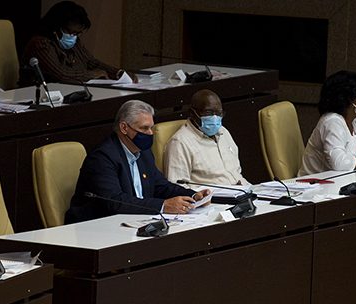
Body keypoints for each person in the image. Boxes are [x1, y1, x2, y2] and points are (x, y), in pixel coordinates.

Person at [65, 100, 211, 224]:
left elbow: (160, 185)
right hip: (96, 227)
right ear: (124, 128)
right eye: (144, 128)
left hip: (134, 222)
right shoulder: (102, 157)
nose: (150, 133)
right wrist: (163, 205)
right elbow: (114, 201)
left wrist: (193, 196)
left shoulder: (143, 152)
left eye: (151, 128)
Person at [20, 1, 137, 86]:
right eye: (71, 32)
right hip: (37, 94)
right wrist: (91, 75)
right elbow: (62, 75)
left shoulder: (73, 42)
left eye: (78, 33)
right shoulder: (40, 44)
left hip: (68, 91)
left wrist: (118, 73)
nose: (74, 37)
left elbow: (91, 62)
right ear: (56, 27)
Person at [163, 89, 250, 185]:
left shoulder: (223, 132)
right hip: (214, 197)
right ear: (192, 113)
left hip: (244, 191)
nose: (214, 118)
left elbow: (236, 172)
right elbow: (177, 186)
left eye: (219, 113)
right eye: (208, 113)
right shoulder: (180, 142)